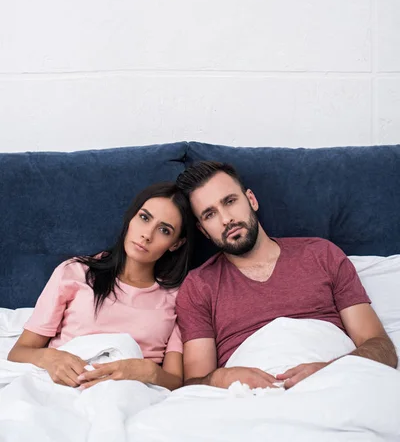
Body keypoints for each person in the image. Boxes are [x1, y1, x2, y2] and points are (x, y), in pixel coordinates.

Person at [175, 161, 398, 390]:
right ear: (203, 230)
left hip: (336, 383)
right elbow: (194, 387)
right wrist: (221, 378)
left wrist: (331, 370)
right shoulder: (198, 286)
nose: (226, 219)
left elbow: (381, 348)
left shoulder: (321, 254)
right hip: (250, 400)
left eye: (230, 201)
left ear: (251, 200)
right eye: (210, 214)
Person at [8, 182, 194, 391]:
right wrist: (50, 358)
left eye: (164, 230)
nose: (147, 235)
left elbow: (175, 381)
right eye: (144, 218)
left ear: (176, 244)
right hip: (65, 386)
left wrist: (147, 371)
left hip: (131, 393)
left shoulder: (179, 298)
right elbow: (19, 352)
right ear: (131, 218)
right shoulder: (76, 272)